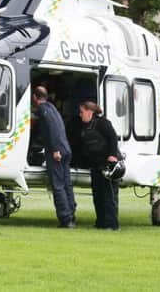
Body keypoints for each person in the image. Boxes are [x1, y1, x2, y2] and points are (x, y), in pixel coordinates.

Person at [32, 86, 76, 228]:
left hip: (56, 151)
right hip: (66, 149)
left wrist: (55, 149)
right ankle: (71, 213)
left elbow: (51, 128)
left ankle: (65, 218)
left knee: (58, 185)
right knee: (67, 184)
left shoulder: (42, 110)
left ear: (34, 97)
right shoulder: (52, 108)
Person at [79, 101, 122, 231]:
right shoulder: (85, 127)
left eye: (82, 112)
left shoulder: (103, 123)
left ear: (89, 111)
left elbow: (112, 137)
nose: (80, 115)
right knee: (98, 195)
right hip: (95, 165)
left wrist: (112, 156)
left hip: (108, 165)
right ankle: (101, 222)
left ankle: (112, 224)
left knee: (109, 195)